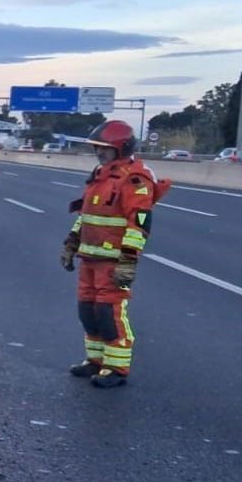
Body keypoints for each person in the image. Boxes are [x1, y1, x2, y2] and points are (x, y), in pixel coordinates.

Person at [60, 120, 170, 388]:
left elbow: (140, 223)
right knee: (88, 312)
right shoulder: (100, 174)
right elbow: (87, 215)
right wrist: (71, 242)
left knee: (109, 313)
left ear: (121, 149)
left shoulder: (135, 179)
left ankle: (116, 367)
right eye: (98, 148)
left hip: (114, 261)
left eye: (105, 148)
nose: (99, 153)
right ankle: (95, 361)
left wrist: (128, 260)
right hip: (90, 258)